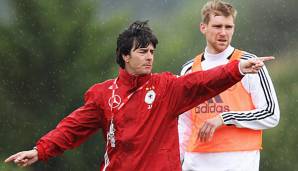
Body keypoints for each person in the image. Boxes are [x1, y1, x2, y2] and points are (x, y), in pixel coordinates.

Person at [5, 20, 272, 171]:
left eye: (152, 52)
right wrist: (40, 150)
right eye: (143, 51)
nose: (149, 57)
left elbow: (201, 82)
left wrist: (236, 68)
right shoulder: (103, 94)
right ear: (125, 55)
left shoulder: (166, 88)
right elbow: (72, 128)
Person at [178, 1, 280, 171]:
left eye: (229, 27)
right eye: (217, 26)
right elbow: (184, 124)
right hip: (194, 163)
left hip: (238, 163)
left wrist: (225, 118)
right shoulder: (189, 69)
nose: (223, 33)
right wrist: (174, 162)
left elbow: (271, 113)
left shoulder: (249, 64)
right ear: (203, 27)